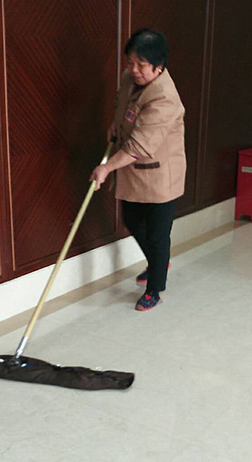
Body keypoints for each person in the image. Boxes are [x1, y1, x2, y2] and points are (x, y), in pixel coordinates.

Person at [90, 28, 186, 311]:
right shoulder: (129, 78)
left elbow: (139, 146)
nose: (133, 69)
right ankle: (159, 261)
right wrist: (115, 124)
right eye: (130, 62)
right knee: (132, 220)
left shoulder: (164, 98)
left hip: (160, 175)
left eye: (141, 65)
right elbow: (122, 104)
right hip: (134, 170)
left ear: (159, 66)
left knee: (157, 235)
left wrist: (106, 168)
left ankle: (155, 287)